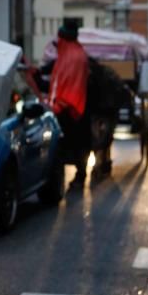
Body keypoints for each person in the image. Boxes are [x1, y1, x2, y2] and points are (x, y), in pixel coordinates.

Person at [48, 23, 91, 189]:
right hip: (75, 106)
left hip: (69, 108)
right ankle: (80, 174)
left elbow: (62, 82)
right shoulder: (77, 53)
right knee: (79, 143)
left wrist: (57, 103)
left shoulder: (69, 56)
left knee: (72, 142)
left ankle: (78, 175)